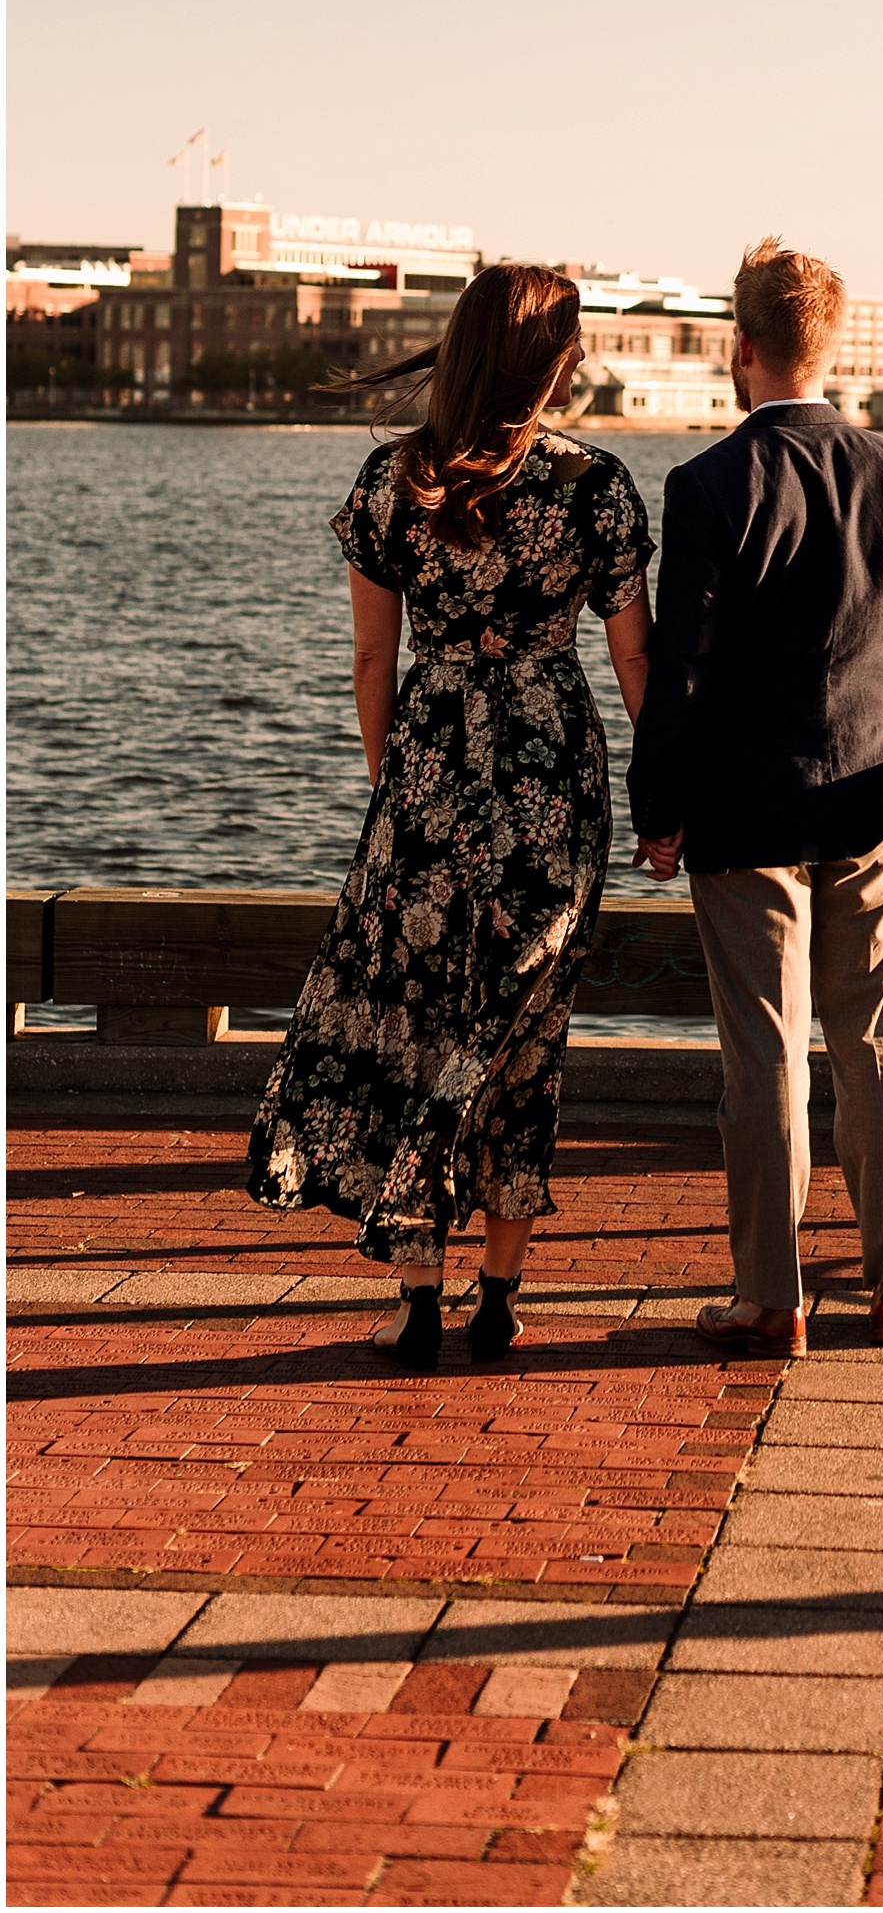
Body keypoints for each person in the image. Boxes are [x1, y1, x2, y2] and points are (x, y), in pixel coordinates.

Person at [247, 262, 664, 1369]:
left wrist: (398, 790)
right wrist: (665, 804)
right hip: (551, 777)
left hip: (428, 773)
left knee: (426, 1020)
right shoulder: (595, 487)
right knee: (524, 1036)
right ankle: (501, 1298)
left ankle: (422, 1299)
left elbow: (372, 660)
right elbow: (636, 664)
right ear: (554, 358)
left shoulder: (395, 482)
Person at [629, 237, 883, 1353]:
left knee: (764, 1052)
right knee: (877, 1046)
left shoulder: (709, 484)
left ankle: (771, 1299)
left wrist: (657, 810)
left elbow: (682, 672)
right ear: (827, 345)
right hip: (868, 795)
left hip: (742, 808)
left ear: (742, 349)